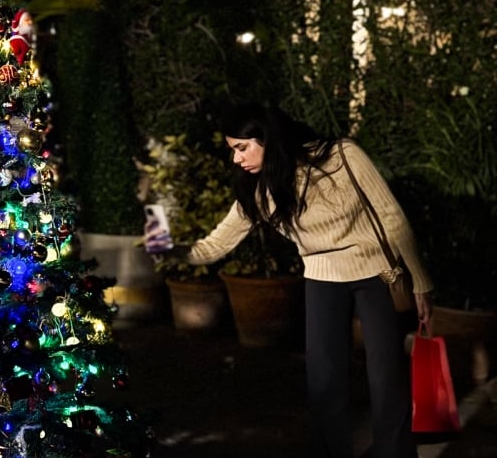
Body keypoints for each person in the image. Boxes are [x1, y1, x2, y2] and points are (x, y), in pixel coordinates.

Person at [147, 103, 433, 458]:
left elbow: (392, 217)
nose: (237, 159)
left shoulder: (342, 156)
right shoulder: (259, 189)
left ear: (268, 139)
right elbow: (216, 244)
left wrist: (420, 281)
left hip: (377, 274)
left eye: (242, 148)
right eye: (232, 150)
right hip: (321, 280)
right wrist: (168, 250)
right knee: (325, 384)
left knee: (386, 378)